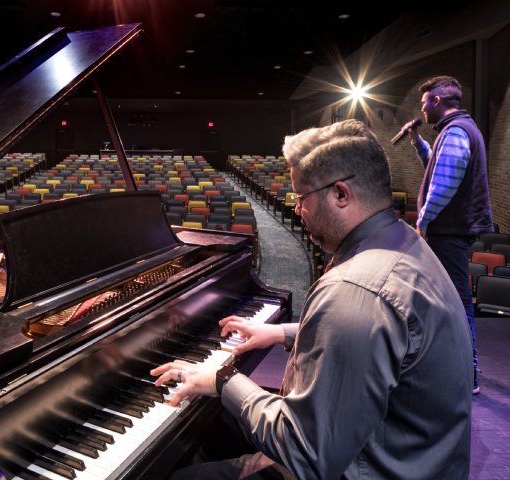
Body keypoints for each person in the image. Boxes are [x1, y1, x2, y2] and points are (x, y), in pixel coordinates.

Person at [151, 119, 473, 479]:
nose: (298, 210)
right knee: (213, 423)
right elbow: (369, 335)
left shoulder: (355, 289)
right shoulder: (403, 243)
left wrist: (224, 378)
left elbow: (307, 452)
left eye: (301, 198)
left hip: (366, 466)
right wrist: (283, 333)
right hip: (409, 453)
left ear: (340, 194)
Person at [403, 75, 493, 395]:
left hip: (450, 231)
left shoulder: (455, 131)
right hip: (452, 230)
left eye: (424, 101)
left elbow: (445, 184)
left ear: (437, 101)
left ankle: (467, 374)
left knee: (458, 303)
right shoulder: (455, 130)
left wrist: (423, 222)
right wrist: (417, 141)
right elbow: (438, 168)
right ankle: (447, 363)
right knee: (448, 300)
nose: (422, 108)